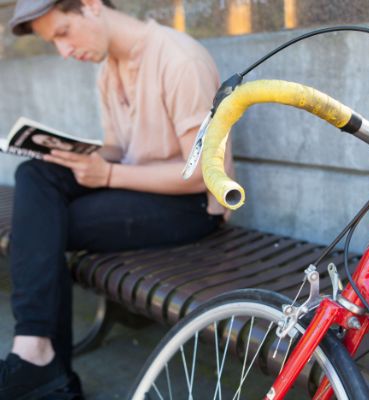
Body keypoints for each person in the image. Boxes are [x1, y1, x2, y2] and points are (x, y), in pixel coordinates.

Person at [2, 0, 232, 399]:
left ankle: (42, 364)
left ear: (91, 5)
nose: (64, 51)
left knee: (40, 227)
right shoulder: (109, 70)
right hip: (135, 188)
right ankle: (36, 354)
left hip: (190, 206)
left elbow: (205, 175)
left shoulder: (179, 59)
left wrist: (107, 174)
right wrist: (79, 156)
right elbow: (119, 147)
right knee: (34, 174)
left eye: (62, 33)